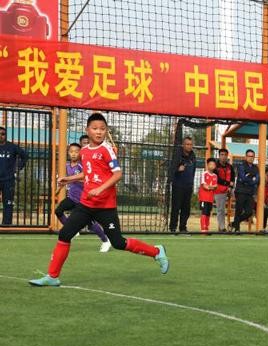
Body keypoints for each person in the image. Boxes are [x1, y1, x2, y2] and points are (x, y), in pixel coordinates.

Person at [29, 113, 168, 287]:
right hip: (86, 205)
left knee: (118, 243)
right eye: (95, 128)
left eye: (102, 129)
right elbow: (88, 173)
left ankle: (156, 252)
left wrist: (100, 189)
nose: (99, 132)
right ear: (87, 130)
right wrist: (69, 179)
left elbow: (118, 174)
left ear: (106, 131)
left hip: (105, 207)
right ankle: (52, 276)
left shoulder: (107, 149)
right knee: (65, 234)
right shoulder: (84, 151)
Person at [54, 142, 111, 252]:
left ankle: (105, 240)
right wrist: (60, 188)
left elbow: (86, 179)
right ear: (68, 153)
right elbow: (67, 180)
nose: (73, 154)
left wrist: (70, 179)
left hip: (83, 200)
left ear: (80, 153)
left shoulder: (82, 165)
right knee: (58, 211)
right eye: (71, 152)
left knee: (90, 223)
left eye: (76, 152)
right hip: (72, 197)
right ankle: (74, 230)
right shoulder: (67, 166)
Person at [0, 126, 28, 225]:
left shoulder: (12, 147)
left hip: (8, 180)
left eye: (3, 134)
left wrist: (18, 167)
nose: (1, 136)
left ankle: (6, 225)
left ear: (5, 135)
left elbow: (25, 156)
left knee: (8, 203)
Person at [169, 136, 196, 234]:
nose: (189, 146)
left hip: (188, 186)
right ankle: (173, 228)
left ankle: (183, 228)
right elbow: (171, 170)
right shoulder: (177, 156)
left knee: (186, 209)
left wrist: (191, 183)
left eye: (191, 144)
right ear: (183, 145)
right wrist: (177, 169)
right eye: (187, 144)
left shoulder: (193, 157)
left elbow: (193, 171)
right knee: (176, 208)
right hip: (178, 186)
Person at [231, 149, 259, 232]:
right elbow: (243, 178)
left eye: (252, 156)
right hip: (240, 191)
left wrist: (249, 180)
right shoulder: (241, 166)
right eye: (249, 156)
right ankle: (237, 229)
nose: (251, 158)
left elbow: (257, 180)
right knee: (238, 210)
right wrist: (252, 180)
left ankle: (234, 223)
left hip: (250, 193)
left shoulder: (256, 168)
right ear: (245, 157)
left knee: (249, 212)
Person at [214, 148, 235, 232]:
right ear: (219, 156)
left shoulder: (230, 166)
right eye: (222, 155)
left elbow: (233, 178)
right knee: (221, 209)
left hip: (229, 189)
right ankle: (222, 227)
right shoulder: (215, 166)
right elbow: (217, 179)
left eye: (225, 155)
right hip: (219, 190)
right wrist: (228, 183)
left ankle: (234, 224)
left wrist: (230, 187)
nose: (223, 157)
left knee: (240, 200)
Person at [198, 158, 218, 234]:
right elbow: (204, 186)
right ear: (207, 165)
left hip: (210, 198)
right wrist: (210, 187)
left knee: (208, 212)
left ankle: (206, 228)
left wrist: (209, 187)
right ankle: (203, 229)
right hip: (204, 197)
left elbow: (215, 186)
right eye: (210, 164)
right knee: (204, 212)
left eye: (213, 164)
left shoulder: (215, 176)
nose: (212, 166)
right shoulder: (204, 174)